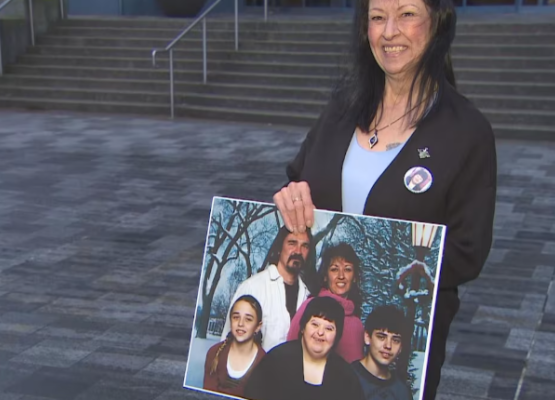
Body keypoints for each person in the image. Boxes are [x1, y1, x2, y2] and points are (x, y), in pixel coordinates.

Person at [272, 0, 497, 398]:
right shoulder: (342, 108)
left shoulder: (466, 132)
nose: (389, 31)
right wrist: (292, 196)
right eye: (377, 17)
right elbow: (299, 179)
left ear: (438, 23)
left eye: (407, 14)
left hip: (395, 347)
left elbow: (468, 251)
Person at [244, 296, 364, 400]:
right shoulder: (276, 359)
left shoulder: (346, 377)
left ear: (337, 335)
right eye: (315, 324)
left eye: (329, 328)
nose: (320, 332)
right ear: (303, 327)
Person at [221, 226, 314, 352]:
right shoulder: (252, 287)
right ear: (280, 248)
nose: (298, 251)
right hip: (256, 370)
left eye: (305, 246)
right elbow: (226, 343)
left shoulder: (308, 296)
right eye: (292, 243)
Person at [287, 242, 365, 363]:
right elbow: (290, 351)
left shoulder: (357, 324)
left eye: (347, 269)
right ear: (325, 276)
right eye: (334, 269)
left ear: (354, 277)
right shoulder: (310, 306)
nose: (341, 276)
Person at [204, 295, 266, 397]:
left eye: (248, 319)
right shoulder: (214, 353)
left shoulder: (264, 363)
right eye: (236, 317)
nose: (241, 323)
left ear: (258, 327)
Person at [352, 305, 412, 400]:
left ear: (401, 348)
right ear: (367, 337)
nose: (388, 345)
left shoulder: (402, 392)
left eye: (395, 340)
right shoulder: (345, 377)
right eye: (381, 337)